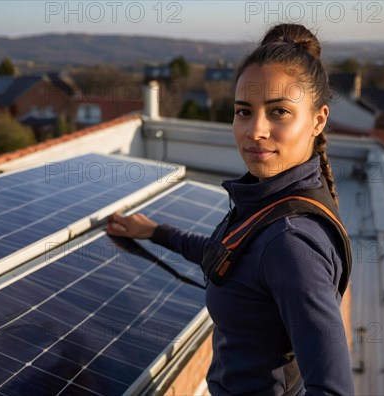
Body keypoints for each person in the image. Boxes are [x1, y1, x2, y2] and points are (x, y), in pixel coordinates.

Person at [107, 23, 354, 396]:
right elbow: (230, 258)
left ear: (318, 120)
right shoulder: (269, 200)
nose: (255, 130)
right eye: (243, 111)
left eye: (279, 112)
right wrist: (156, 232)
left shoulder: (291, 243)